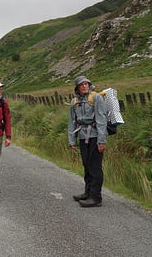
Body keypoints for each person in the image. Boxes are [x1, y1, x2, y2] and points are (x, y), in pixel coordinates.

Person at [68, 76, 107, 207]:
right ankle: (88, 193)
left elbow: (101, 119)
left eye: (86, 84)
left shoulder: (96, 98)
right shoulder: (75, 101)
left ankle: (96, 198)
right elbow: (72, 122)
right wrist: (72, 140)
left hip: (95, 136)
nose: (85, 86)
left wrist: (101, 141)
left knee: (95, 167)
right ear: (77, 87)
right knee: (86, 165)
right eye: (82, 84)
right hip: (83, 136)